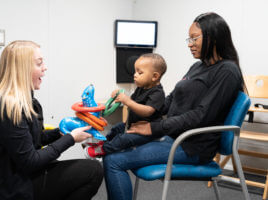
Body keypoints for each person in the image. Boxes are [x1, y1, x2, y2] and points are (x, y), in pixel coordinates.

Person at [103, 12, 246, 200]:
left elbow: (201, 116)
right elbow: (169, 101)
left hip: (190, 145)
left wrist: (154, 127)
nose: (189, 43)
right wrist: (142, 109)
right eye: (189, 38)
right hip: (171, 136)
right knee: (116, 142)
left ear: (213, 37)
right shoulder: (197, 67)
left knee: (113, 161)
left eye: (194, 38)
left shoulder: (227, 71)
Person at [0, 40, 103, 200]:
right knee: (93, 171)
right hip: (4, 188)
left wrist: (60, 133)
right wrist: (70, 139)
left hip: (17, 173)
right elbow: (31, 161)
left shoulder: (25, 100)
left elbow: (33, 140)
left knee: (91, 169)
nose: (44, 67)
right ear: (22, 69)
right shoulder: (5, 106)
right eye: (39, 63)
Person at [84, 53, 167, 158]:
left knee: (123, 139)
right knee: (116, 129)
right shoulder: (142, 88)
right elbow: (133, 101)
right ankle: (105, 144)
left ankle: (103, 150)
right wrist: (121, 95)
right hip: (132, 125)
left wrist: (127, 101)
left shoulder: (157, 93)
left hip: (148, 133)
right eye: (135, 71)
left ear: (155, 76)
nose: (135, 75)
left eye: (140, 72)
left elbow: (148, 111)